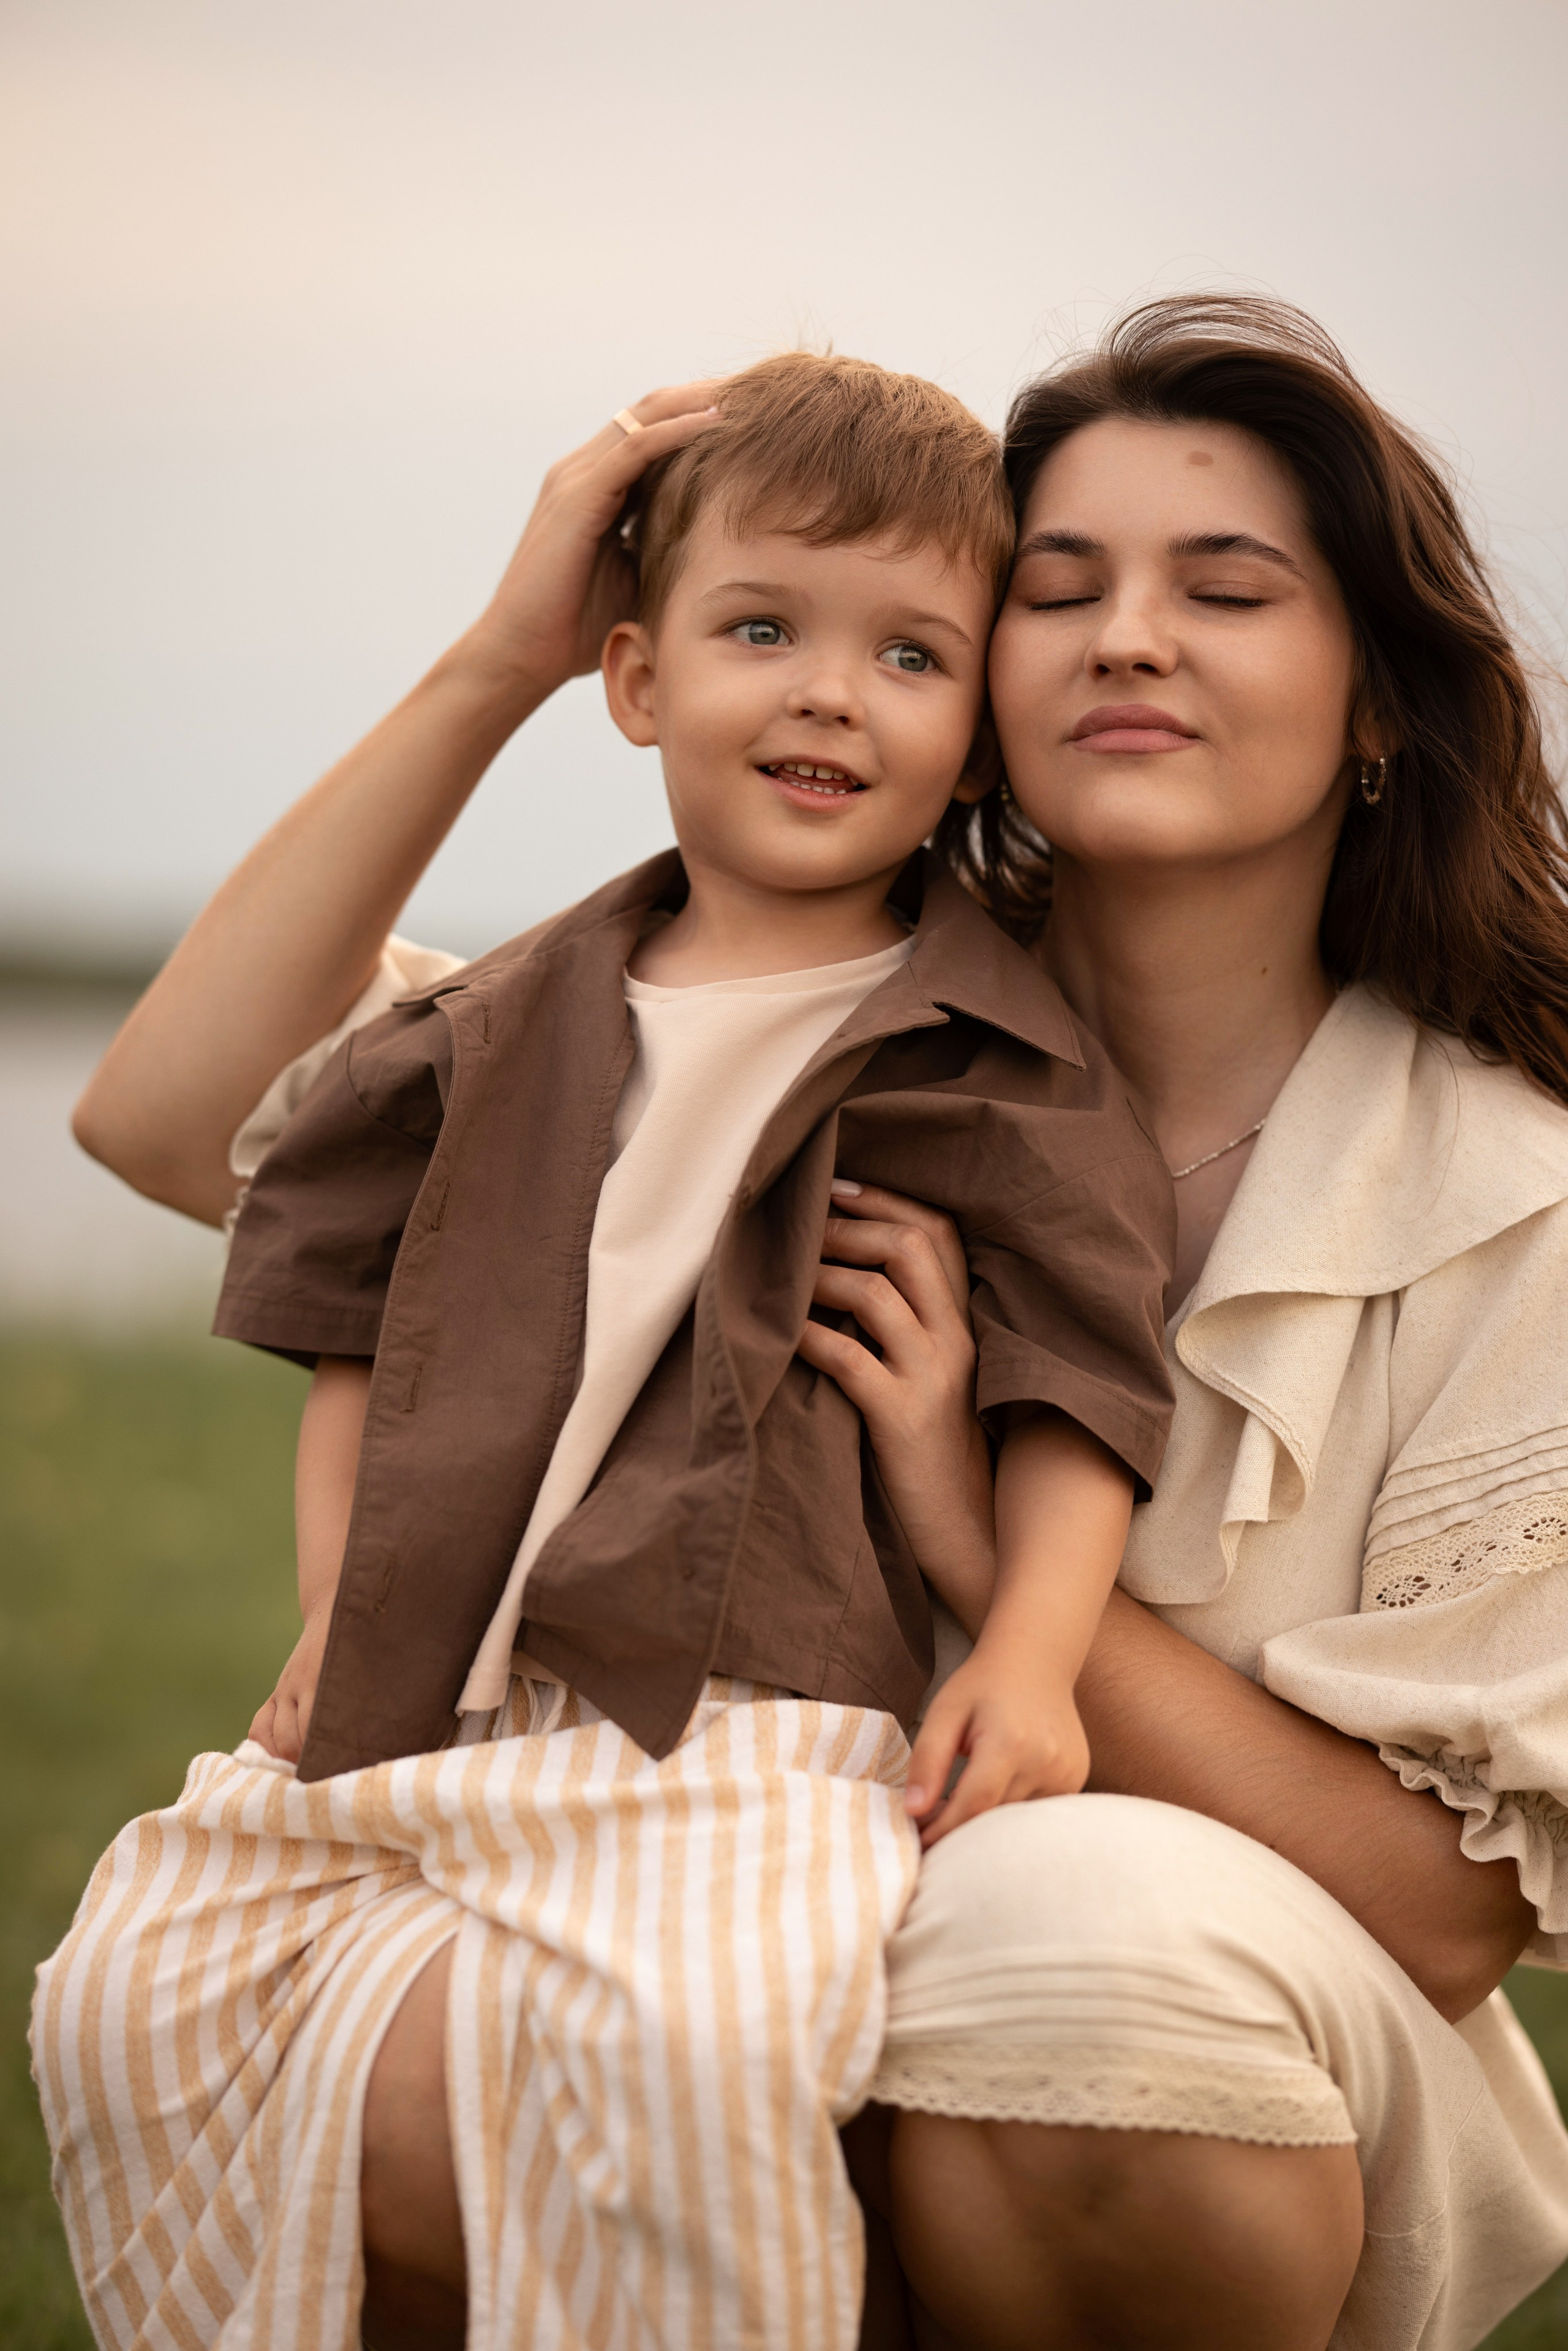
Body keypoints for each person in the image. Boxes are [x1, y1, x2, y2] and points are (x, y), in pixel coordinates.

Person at [39, 295, 1568, 2351]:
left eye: (1228, 589)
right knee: (304, 2010)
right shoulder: (748, 1009)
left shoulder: (1516, 1198)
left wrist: (970, 1526)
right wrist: (510, 657)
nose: (1129, 637)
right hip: (675, 1890)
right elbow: (163, 1119)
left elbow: (1452, 1908)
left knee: (1047, 1934)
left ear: (1379, 698)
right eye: (1059, 586)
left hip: (1203, 2049)